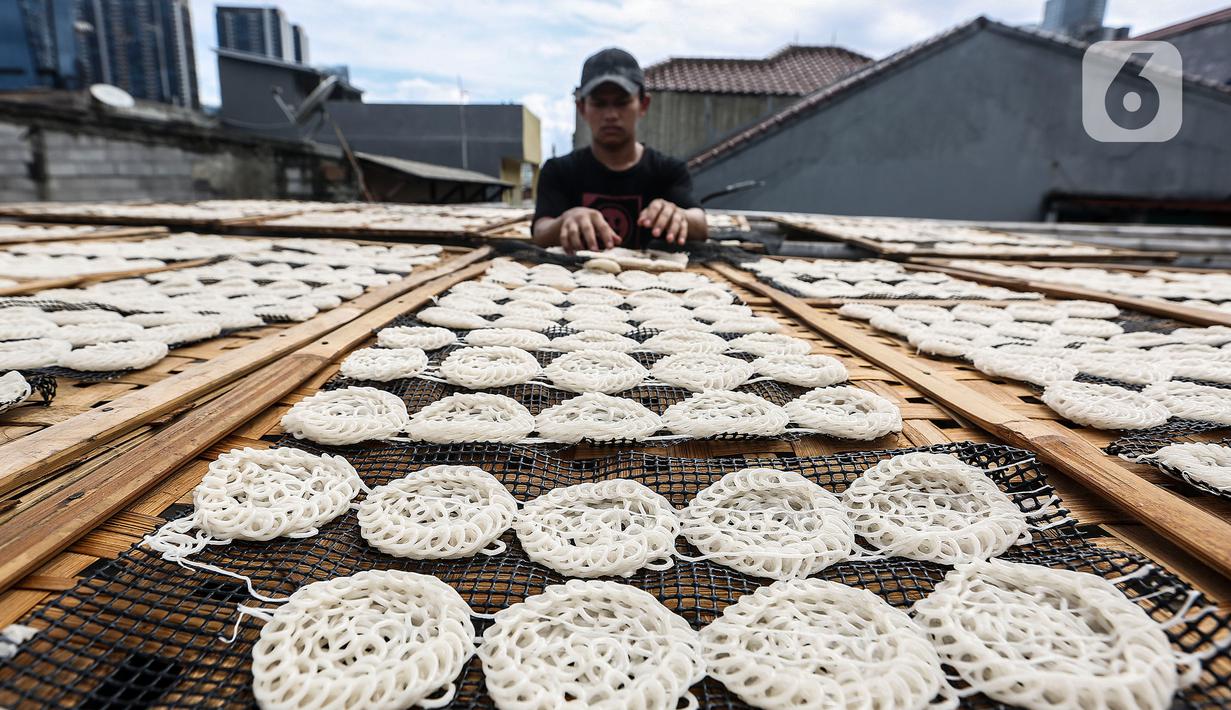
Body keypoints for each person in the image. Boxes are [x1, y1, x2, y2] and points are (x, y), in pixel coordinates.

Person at [532, 47, 708, 254]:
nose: (611, 115)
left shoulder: (668, 171)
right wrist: (564, 221)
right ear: (582, 109)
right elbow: (540, 231)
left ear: (643, 104)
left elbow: (700, 223)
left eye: (622, 102)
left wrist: (680, 216)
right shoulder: (559, 171)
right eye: (599, 103)